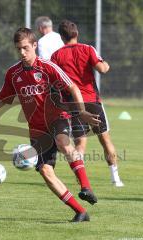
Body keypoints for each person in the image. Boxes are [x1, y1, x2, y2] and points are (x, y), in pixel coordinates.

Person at [0, 27, 101, 222]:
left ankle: (85, 187)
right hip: (37, 129)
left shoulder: (48, 67)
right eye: (18, 49)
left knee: (63, 141)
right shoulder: (14, 73)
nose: (22, 53)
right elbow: (2, 98)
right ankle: (80, 211)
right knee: (46, 172)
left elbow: (72, 86)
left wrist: (81, 112)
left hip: (57, 117)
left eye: (25, 48)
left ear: (34, 46)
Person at [51, 20, 124, 187]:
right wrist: (107, 64)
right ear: (76, 34)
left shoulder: (56, 56)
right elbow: (102, 69)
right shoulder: (88, 49)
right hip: (93, 102)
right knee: (105, 140)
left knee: (80, 143)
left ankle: (81, 177)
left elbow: (55, 82)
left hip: (74, 105)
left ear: (61, 37)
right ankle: (116, 179)